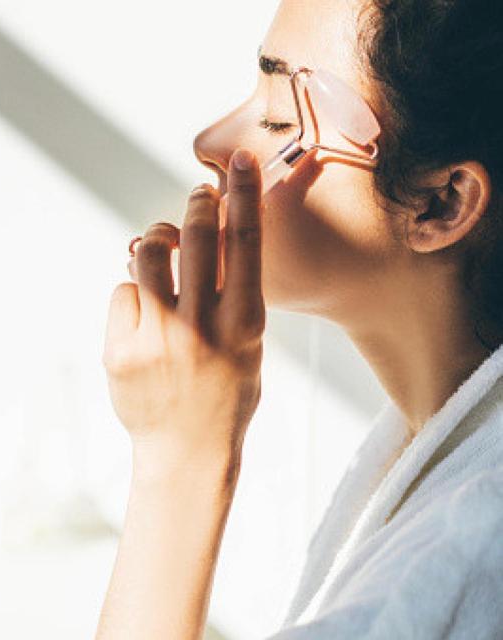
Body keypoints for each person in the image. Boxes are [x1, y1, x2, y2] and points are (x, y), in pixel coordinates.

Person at [94, 0, 503, 638]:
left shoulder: (467, 553)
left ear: (441, 203)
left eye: (279, 116)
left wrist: (179, 461)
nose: (210, 145)